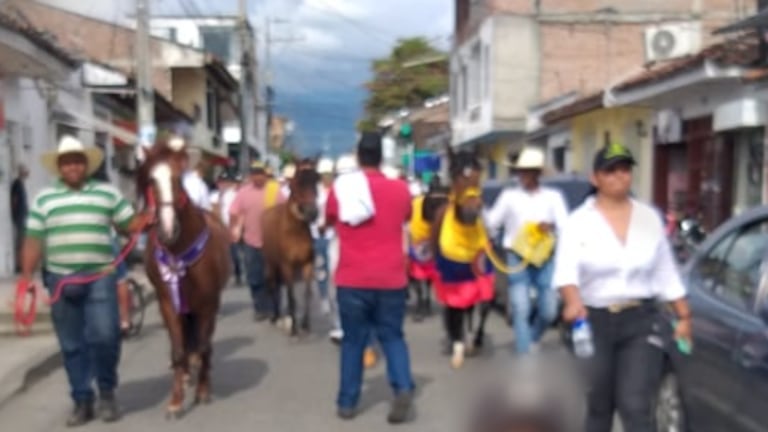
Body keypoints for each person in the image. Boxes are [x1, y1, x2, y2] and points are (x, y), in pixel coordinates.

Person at [553, 143, 691, 432]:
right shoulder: (578, 222)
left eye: (625, 170)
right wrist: (572, 301)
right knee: (600, 405)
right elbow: (566, 271)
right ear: (596, 178)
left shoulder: (649, 217)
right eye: (610, 170)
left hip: (639, 321)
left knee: (636, 405)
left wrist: (683, 315)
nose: (619, 176)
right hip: (592, 321)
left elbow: (665, 270)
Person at [18, 136, 150, 426]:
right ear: (59, 167)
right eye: (67, 162)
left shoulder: (107, 194)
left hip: (100, 277)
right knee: (71, 344)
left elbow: (128, 224)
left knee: (106, 336)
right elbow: (33, 239)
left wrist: (146, 217)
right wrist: (27, 278)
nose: (73, 166)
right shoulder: (44, 199)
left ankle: (106, 392)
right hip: (60, 280)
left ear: (86, 165)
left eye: (78, 161)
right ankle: (81, 399)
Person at [326, 132, 414, 423]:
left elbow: (328, 219)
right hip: (391, 278)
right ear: (381, 157)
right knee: (392, 337)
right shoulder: (401, 189)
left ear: (358, 156)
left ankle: (348, 402)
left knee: (353, 341)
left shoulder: (342, 189)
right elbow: (406, 218)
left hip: (352, 279)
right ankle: (402, 388)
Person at [485, 147, 569, 355]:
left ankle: (532, 338)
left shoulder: (553, 197)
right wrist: (479, 210)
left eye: (528, 171)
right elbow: (492, 223)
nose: (523, 176)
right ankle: (525, 355)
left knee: (549, 310)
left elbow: (566, 226)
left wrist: (550, 226)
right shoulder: (508, 196)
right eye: (521, 171)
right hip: (517, 257)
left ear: (538, 173)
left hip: (545, 259)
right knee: (520, 308)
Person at [431, 149, 495, 369]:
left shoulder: (477, 196)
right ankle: (457, 340)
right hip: (450, 258)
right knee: (454, 302)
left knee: (482, 295)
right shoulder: (447, 206)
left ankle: (476, 329)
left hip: (474, 253)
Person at [230, 161, 285, 321]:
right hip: (251, 241)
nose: (258, 177)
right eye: (254, 174)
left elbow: (284, 212)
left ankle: (274, 307)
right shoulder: (243, 193)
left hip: (272, 242)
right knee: (255, 276)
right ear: (251, 175)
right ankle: (260, 308)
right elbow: (234, 211)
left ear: (265, 175)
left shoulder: (275, 191)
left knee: (274, 276)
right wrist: (235, 229)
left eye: (260, 173)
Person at [211, 172, 243, 285]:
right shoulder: (214, 195)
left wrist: (234, 226)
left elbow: (237, 211)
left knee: (233, 252)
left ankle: (238, 273)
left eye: (225, 182)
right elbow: (213, 211)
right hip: (218, 227)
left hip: (229, 226)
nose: (222, 185)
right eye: (220, 182)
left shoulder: (234, 195)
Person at [313, 158, 335, 314]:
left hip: (335, 236)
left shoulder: (339, 189)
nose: (327, 177)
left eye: (329, 174)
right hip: (317, 235)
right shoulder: (315, 191)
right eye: (324, 174)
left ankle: (334, 296)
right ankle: (324, 297)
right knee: (321, 268)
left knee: (333, 268)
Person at [10, 163, 29, 274]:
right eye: (25, 171)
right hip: (20, 217)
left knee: (23, 241)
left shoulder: (21, 184)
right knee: (20, 242)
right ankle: (19, 266)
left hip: (23, 216)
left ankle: (22, 265)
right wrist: (15, 214)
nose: (27, 173)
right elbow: (14, 200)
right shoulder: (17, 184)